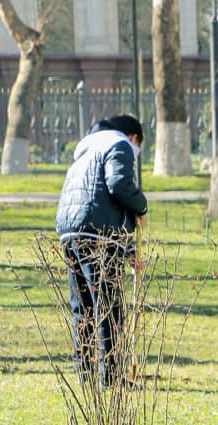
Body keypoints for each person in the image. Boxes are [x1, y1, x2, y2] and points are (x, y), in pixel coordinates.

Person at [55, 114, 148, 385]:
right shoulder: (119, 145)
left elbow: (99, 198)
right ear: (133, 137)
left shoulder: (85, 151)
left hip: (70, 232)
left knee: (83, 307)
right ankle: (111, 377)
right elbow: (118, 185)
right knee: (109, 305)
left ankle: (85, 374)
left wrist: (128, 251)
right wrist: (142, 208)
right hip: (99, 235)